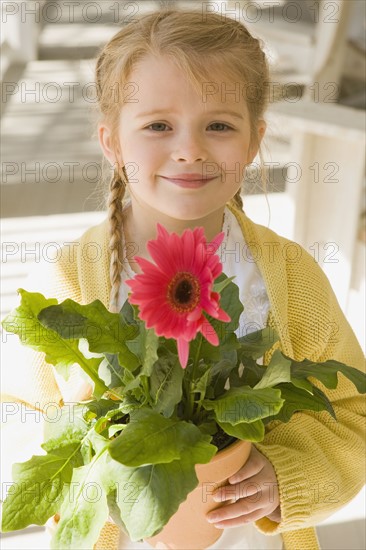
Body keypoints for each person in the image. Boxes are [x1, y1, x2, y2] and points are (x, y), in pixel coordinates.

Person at [3, 8, 365, 550]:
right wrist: (87, 466)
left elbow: (352, 415)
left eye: (219, 125)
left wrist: (284, 473)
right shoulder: (69, 283)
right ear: (112, 143)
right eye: (157, 125)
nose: (190, 148)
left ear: (253, 140)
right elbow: (20, 412)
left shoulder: (290, 278)